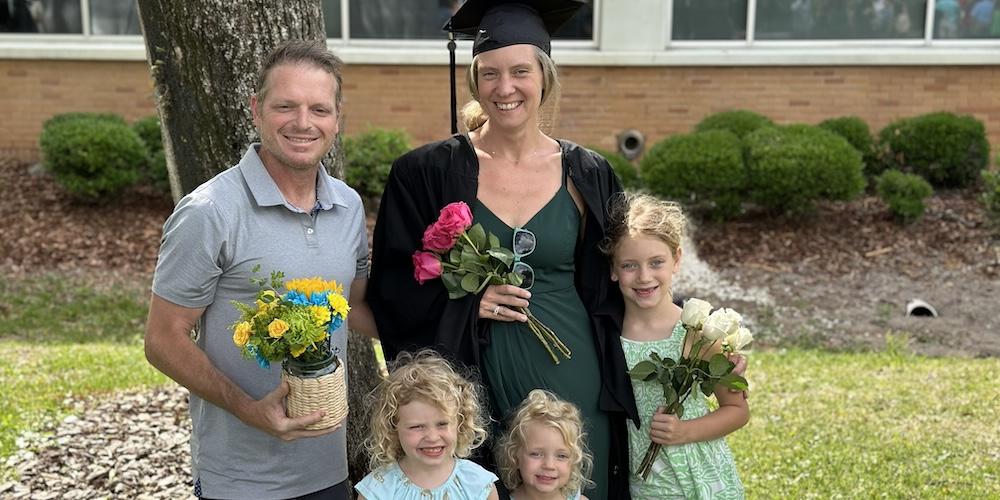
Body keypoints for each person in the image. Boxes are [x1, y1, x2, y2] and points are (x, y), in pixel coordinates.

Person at [366, 0, 637, 497]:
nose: (504, 88)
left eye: (519, 71)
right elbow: (390, 285)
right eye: (489, 73)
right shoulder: (425, 173)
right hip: (471, 387)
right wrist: (467, 300)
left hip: (574, 378)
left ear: (545, 78)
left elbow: (630, 277)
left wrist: (693, 336)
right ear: (473, 81)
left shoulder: (590, 174)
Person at [144, 39, 376, 499]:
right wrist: (249, 408)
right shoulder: (210, 211)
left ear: (337, 118)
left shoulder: (347, 206)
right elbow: (162, 339)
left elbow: (358, 309)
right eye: (285, 106)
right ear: (255, 109)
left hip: (329, 470)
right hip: (243, 481)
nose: (303, 123)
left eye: (319, 109)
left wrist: (456, 310)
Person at [600, 193, 749, 499]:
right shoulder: (607, 335)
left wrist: (684, 431)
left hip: (698, 477)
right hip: (643, 482)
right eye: (629, 265)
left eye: (657, 262)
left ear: (677, 259)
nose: (644, 277)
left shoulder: (696, 333)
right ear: (613, 269)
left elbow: (737, 410)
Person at [356, 350, 499, 500]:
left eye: (442, 424)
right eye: (417, 426)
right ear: (392, 428)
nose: (432, 437)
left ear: (460, 424)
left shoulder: (478, 484)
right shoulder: (378, 489)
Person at [495, 389, 594, 500]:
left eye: (561, 456)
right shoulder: (494, 497)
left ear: (573, 461)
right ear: (515, 456)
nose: (549, 465)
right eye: (536, 454)